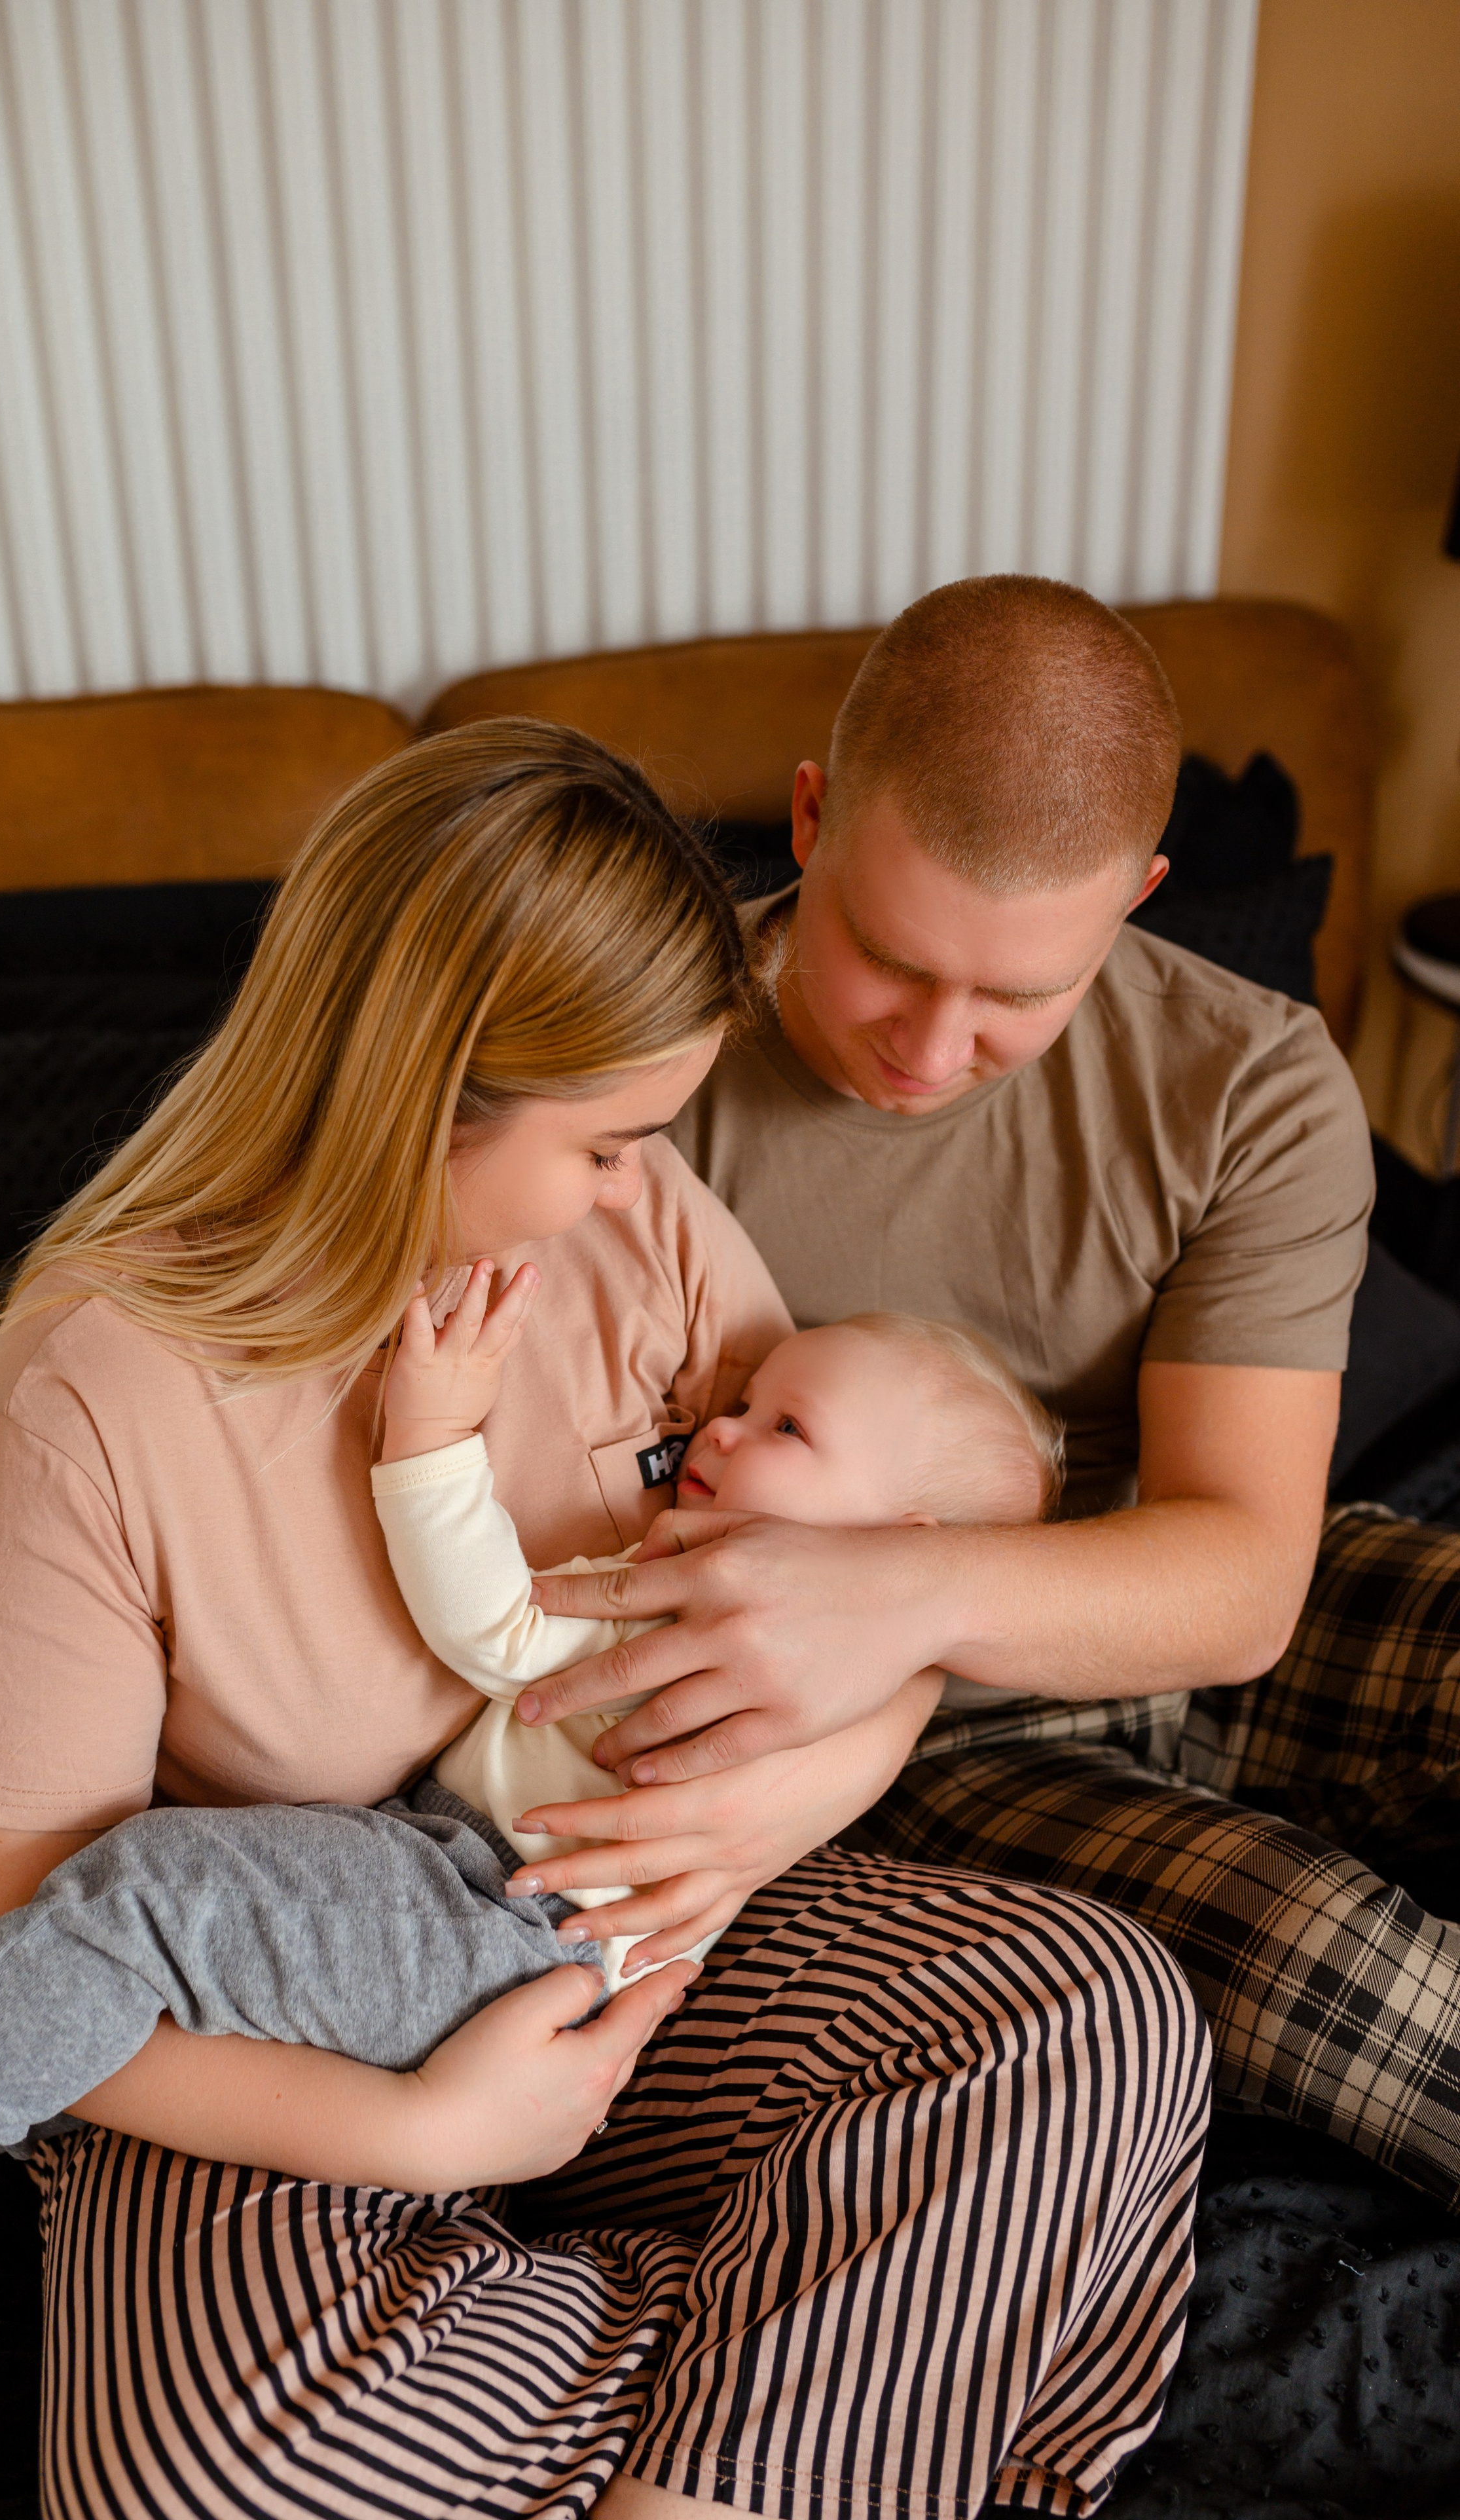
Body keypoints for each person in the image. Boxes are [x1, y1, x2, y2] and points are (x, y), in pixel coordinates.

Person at [0, 716, 1209, 2519]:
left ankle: (693, 2473)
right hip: (277, 2014)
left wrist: (759, 1822)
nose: (636, 1184)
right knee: (205, 2466)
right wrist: (423, 2135)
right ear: (432, 1095)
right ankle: (832, 2365)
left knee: (1095, 2015)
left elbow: (869, 1582)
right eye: (609, 1142)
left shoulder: (640, 1232)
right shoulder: (96, 1390)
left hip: (640, 1925)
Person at [517, 574, 1460, 2212]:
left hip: (1159, 1577)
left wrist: (892, 1588)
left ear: (1139, 897)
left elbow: (1239, 1581)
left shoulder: (1246, 1080)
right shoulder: (641, 1093)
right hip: (917, 1743)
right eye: (887, 958)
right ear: (808, 818)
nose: (932, 1049)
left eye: (1020, 994)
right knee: (1339, 1968)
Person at [0, 1305, 1062, 2219]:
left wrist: (431, 1435)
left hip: (496, 1927)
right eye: (737, 1401)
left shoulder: (730, 1616)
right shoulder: (848, 1678)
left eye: (781, 1424)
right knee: (172, 1923)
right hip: (476, 1892)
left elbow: (496, 1625)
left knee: (160, 1893)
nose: (714, 1433)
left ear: (900, 1546)